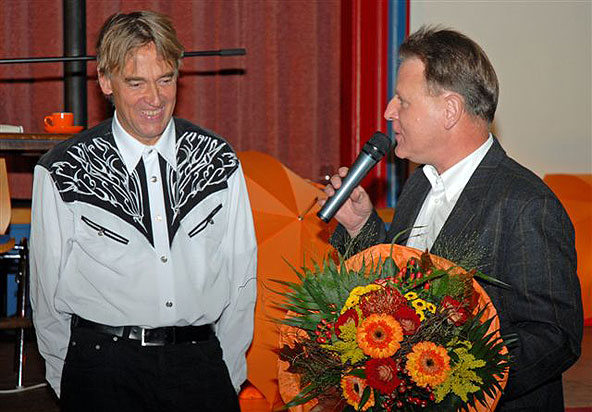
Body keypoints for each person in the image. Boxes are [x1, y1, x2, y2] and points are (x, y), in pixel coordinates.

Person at [322, 26, 582, 411]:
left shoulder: (526, 203)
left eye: (402, 100)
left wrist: (450, 380)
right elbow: (393, 289)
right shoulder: (418, 185)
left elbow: (555, 337)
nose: (389, 112)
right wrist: (360, 225)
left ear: (450, 110)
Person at [29, 11, 257, 411]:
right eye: (136, 83)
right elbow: (46, 294)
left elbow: (242, 279)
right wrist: (74, 381)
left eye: (165, 79)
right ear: (106, 82)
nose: (154, 98)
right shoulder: (63, 169)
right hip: (102, 369)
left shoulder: (218, 161)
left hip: (201, 368)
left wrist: (227, 373)